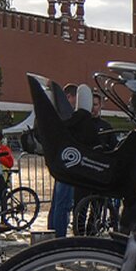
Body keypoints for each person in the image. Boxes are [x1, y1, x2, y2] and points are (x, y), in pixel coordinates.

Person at [47, 83, 78, 236]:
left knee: (58, 202)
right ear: (69, 97)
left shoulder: (56, 113)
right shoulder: (66, 115)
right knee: (63, 203)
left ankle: (52, 233)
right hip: (67, 164)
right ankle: (59, 237)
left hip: (60, 162)